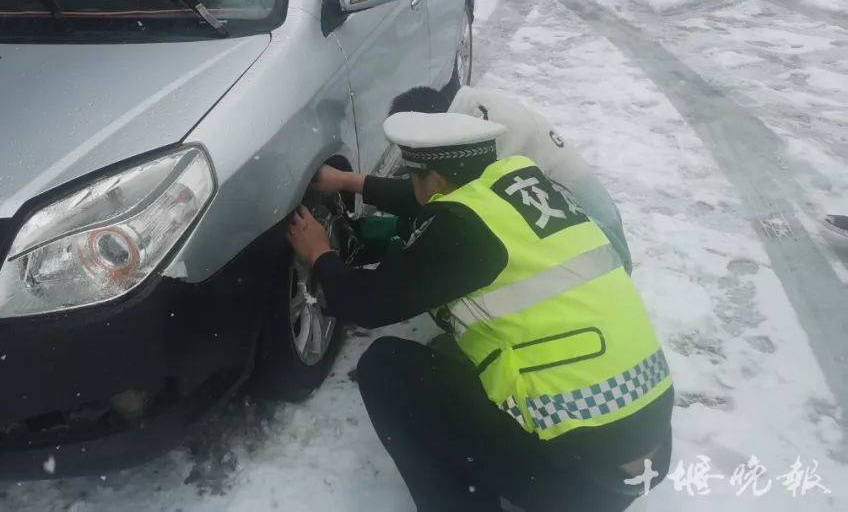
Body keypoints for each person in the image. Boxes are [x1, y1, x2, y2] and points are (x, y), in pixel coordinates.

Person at [286, 111, 673, 512]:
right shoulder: (526, 187)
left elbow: (365, 304)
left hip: (582, 481)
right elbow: (426, 200)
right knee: (453, 348)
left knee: (386, 369)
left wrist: (320, 254)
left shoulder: (463, 231)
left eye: (414, 176)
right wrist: (351, 182)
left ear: (433, 180)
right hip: (646, 450)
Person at [396, 84, 633, 274]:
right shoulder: (474, 110)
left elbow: (458, 209)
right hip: (587, 239)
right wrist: (364, 184)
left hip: (600, 257)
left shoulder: (483, 137)